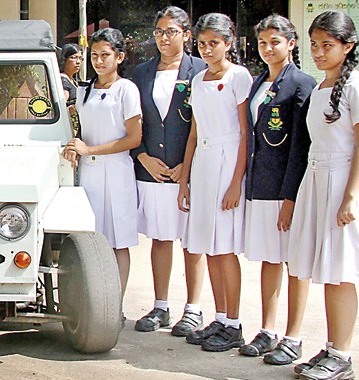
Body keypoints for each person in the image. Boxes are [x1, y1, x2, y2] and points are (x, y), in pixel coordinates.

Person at [289, 10, 359, 380]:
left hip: (345, 181)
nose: (318, 52)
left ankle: (343, 355)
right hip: (318, 179)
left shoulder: (358, 85)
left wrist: (350, 196)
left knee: (341, 271)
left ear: (348, 46)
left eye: (327, 45)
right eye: (314, 45)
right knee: (327, 269)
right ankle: (333, 347)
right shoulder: (320, 88)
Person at [237, 14, 316, 365]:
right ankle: (268, 330)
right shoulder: (258, 83)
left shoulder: (301, 83)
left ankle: (293, 336)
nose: (268, 49)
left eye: (275, 42)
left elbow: (300, 145)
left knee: (293, 262)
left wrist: (290, 196)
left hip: (286, 187)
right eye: (263, 43)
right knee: (269, 257)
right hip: (260, 183)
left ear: (291, 43)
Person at [129, 6, 208, 335]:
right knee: (161, 239)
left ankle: (194, 309)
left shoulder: (201, 70)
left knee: (193, 241)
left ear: (187, 35)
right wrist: (141, 156)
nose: (163, 38)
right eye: (159, 32)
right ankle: (160, 306)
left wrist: (187, 169)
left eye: (171, 31)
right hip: (153, 171)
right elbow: (133, 122)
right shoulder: (142, 73)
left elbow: (208, 123)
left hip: (189, 174)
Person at [177, 13, 252, 352]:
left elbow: (244, 132)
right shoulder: (197, 79)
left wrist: (237, 181)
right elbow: (194, 131)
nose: (207, 49)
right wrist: (185, 179)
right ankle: (220, 317)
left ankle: (234, 322)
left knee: (225, 248)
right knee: (207, 244)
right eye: (202, 43)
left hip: (227, 159)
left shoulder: (239, 76)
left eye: (214, 43)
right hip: (204, 162)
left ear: (229, 43)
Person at [62, 28, 141, 310]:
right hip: (89, 173)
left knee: (118, 242)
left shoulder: (126, 90)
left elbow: (134, 138)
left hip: (116, 170)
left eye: (105, 55)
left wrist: (90, 150)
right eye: (94, 55)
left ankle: (114, 307)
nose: (99, 61)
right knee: (91, 241)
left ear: (119, 57)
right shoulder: (83, 90)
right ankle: (92, 305)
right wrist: (74, 147)